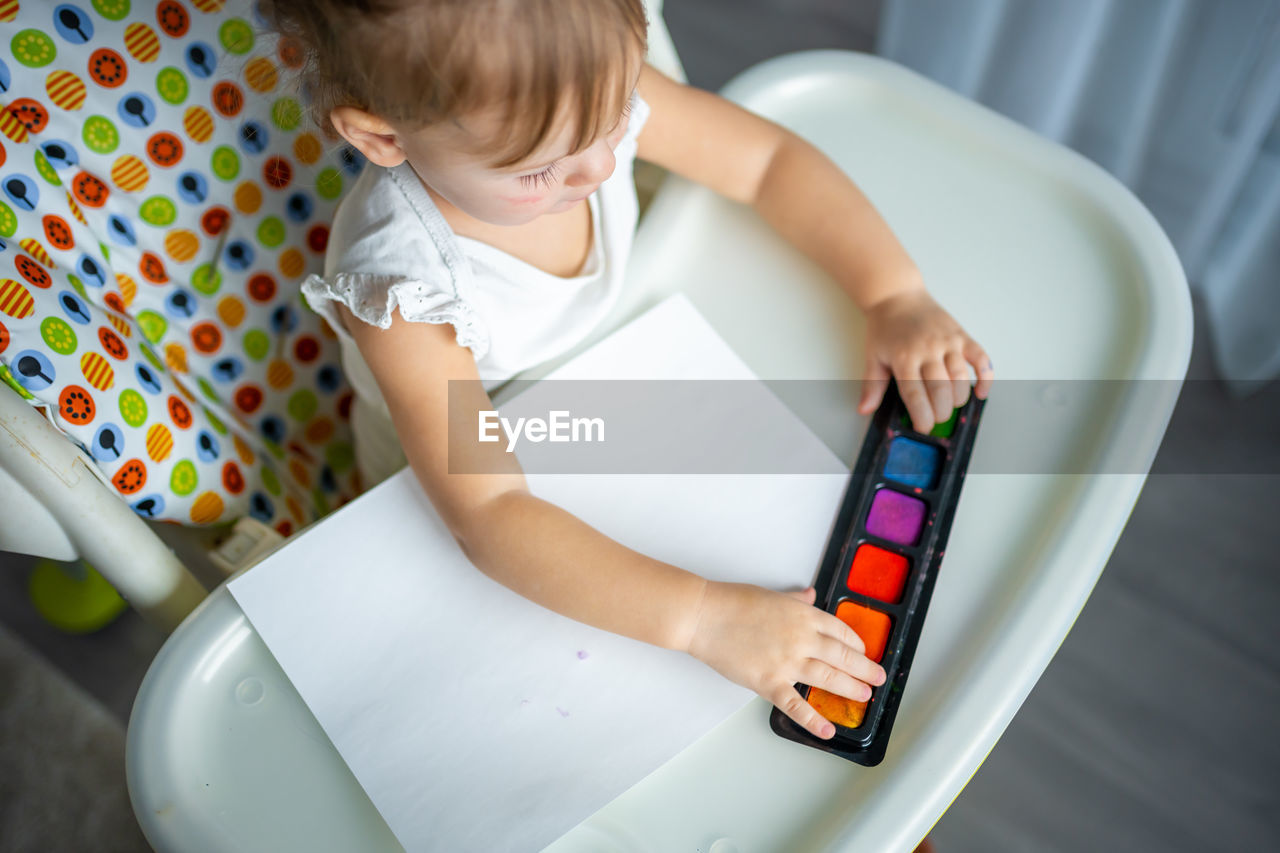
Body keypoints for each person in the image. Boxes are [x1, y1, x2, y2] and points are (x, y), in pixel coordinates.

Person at [263, 0, 994, 742]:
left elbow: (767, 162)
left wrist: (892, 292)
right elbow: (490, 516)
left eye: (614, 119)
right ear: (382, 136)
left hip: (626, 375)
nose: (605, 165)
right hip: (471, 481)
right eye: (543, 169)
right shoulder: (406, 291)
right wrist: (703, 620)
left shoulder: (575, 88)